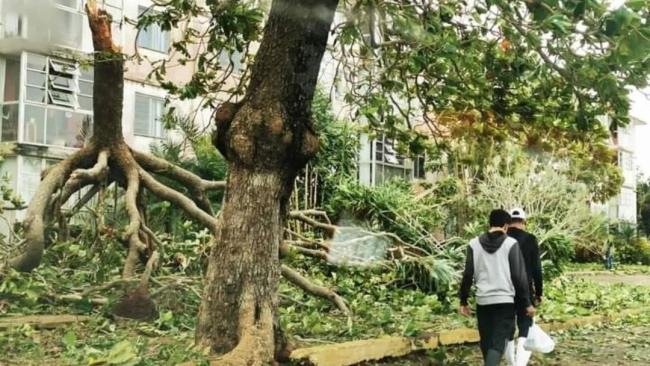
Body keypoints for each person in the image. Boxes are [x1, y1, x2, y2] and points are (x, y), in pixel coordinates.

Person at [459, 209, 535, 366]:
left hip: (483, 303)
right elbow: (519, 278)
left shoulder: (473, 244)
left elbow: (468, 275)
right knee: (498, 343)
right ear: (506, 226)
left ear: (489, 224)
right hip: (504, 302)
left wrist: (463, 301)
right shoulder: (510, 244)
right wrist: (527, 303)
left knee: (487, 344)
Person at [506, 208, 543, 366]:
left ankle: (510, 362)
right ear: (524, 222)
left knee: (507, 327)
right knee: (525, 325)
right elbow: (536, 268)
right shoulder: (530, 239)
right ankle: (519, 364)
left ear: (508, 223)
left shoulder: (502, 238)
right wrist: (539, 292)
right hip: (525, 289)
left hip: (504, 290)